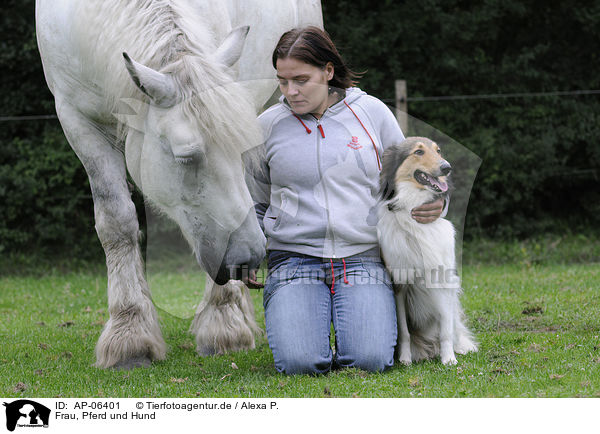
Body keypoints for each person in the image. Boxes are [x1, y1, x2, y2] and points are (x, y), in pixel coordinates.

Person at [246, 27, 444, 375]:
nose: (291, 91)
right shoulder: (267, 126)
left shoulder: (372, 113)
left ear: (328, 71)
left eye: (301, 80)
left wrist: (436, 203)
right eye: (282, 81)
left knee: (369, 361)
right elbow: (254, 200)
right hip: (294, 260)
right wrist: (252, 245)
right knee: (300, 363)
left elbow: (413, 172)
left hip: (362, 260)